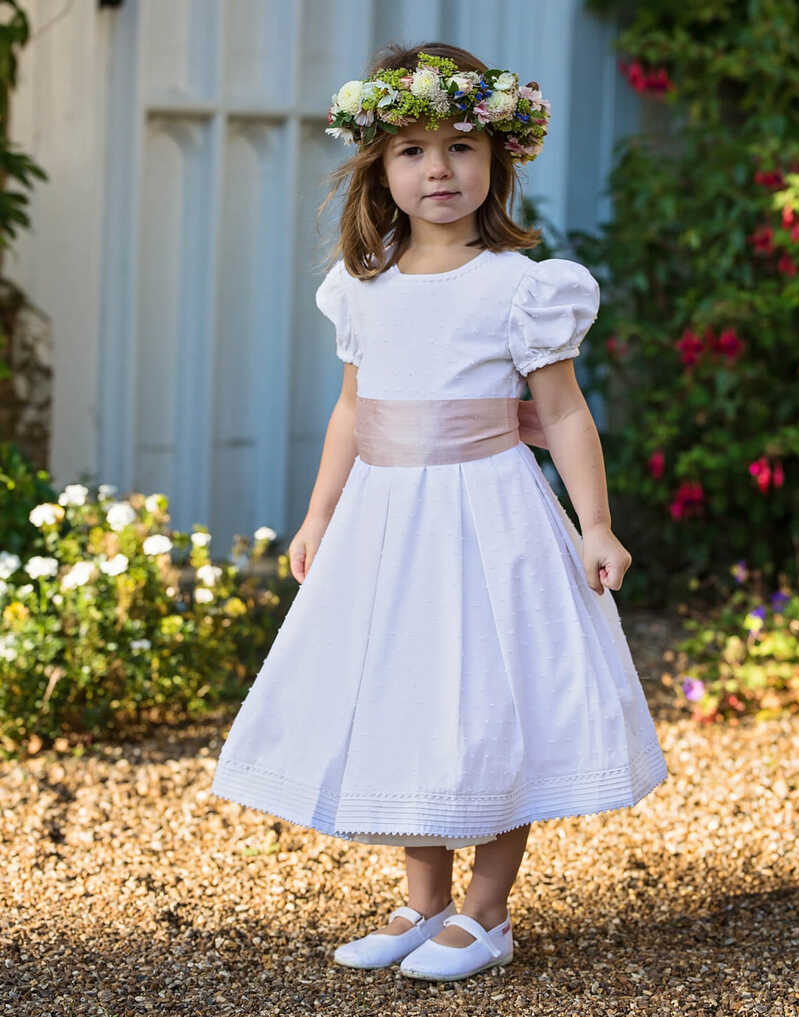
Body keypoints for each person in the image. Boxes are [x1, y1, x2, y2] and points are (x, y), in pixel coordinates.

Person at [210, 41, 668, 983]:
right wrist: (317, 516)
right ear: (380, 165)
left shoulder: (520, 286)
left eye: (460, 147)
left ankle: (486, 910)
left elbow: (565, 412)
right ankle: (423, 900)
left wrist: (595, 524)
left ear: (498, 157)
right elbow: (353, 410)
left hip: (488, 520)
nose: (439, 169)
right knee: (406, 697)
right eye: (413, 150)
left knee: (497, 701)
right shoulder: (364, 286)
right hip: (388, 526)